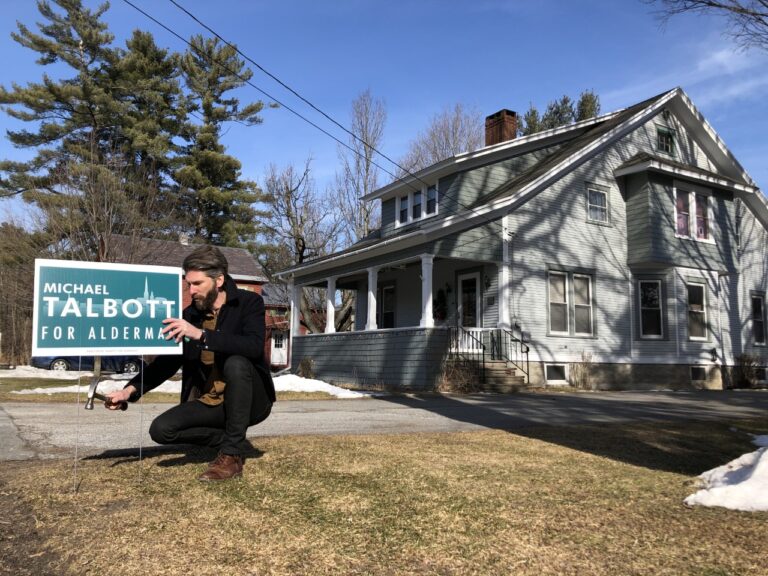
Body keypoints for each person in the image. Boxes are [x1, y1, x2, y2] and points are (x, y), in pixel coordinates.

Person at [106, 245, 275, 481]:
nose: (191, 290)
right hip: (213, 401)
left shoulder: (249, 303)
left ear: (218, 280)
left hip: (252, 399)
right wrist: (129, 391)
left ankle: (231, 455)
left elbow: (254, 346)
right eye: (188, 284)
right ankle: (230, 439)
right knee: (161, 429)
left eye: (197, 284)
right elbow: (167, 363)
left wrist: (202, 335)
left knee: (236, 362)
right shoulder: (190, 315)